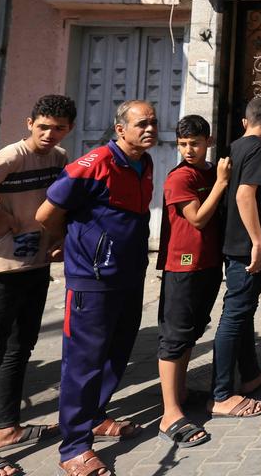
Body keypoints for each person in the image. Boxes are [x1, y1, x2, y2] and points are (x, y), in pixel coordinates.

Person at [39, 101, 157, 474]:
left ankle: (95, 416)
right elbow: (46, 213)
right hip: (91, 281)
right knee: (83, 364)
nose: (150, 129)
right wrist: (66, 243)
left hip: (129, 275)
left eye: (154, 122)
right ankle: (73, 447)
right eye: (142, 123)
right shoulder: (94, 164)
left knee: (116, 353)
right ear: (120, 129)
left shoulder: (145, 163)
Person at [0, 95, 74, 473]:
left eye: (57, 128)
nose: (49, 134)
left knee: (21, 347)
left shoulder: (59, 158)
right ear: (29, 123)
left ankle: (6, 427)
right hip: (2, 268)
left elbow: (59, 204)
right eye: (43, 126)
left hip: (35, 265)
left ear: (68, 129)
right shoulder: (10, 157)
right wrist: (4, 221)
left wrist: (57, 238)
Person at [156, 115, 230, 448]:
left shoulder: (209, 169)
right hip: (183, 266)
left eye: (195, 143)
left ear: (208, 142)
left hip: (209, 263)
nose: (188, 150)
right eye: (183, 144)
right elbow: (197, 219)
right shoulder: (180, 178)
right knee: (175, 334)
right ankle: (169, 412)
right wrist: (220, 184)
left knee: (193, 330)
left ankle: (181, 392)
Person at [212, 97, 261, 419]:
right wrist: (257, 241)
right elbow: (244, 194)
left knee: (244, 311)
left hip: (231, 240)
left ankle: (250, 374)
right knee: (235, 314)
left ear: (244, 121)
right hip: (244, 244)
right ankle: (222, 393)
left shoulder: (234, 147)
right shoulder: (260, 149)